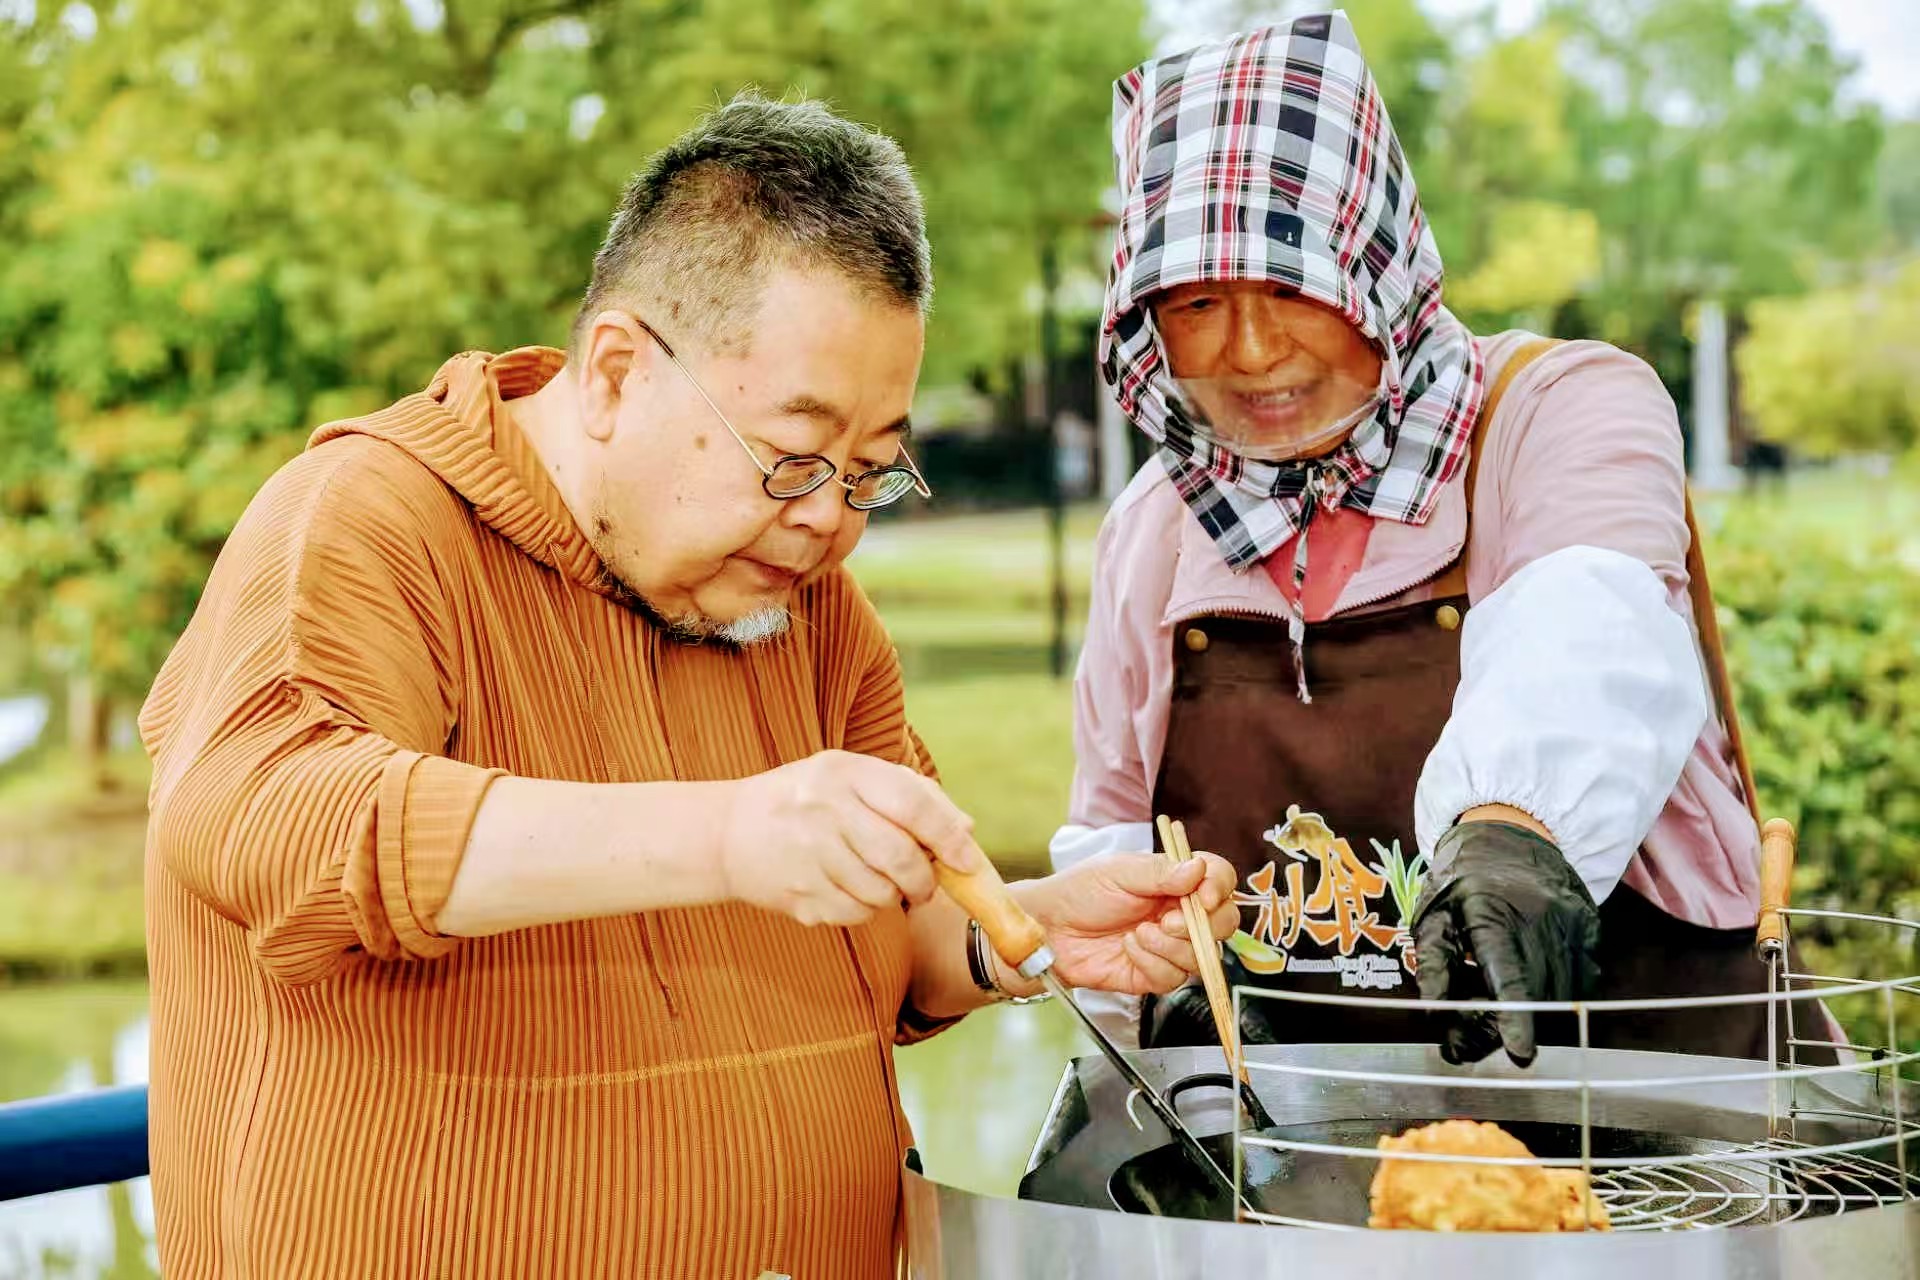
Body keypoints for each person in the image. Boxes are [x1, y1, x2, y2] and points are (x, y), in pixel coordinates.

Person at [139, 94, 1237, 1279]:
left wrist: (1022, 939)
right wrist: (726, 830)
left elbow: (896, 929)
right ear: (614, 370)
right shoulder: (366, 523)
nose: (826, 517)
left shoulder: (806, 607)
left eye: (868, 470)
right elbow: (269, 819)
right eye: (793, 453)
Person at [1053, 13, 1805, 1067]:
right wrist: (1159, 1018)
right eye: (1197, 301)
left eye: (1290, 285)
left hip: (1661, 1129)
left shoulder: (1558, 411)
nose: (1252, 350)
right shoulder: (1155, 529)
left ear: (1377, 262)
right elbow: (1116, 843)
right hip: (1321, 1174)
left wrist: (1513, 830)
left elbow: (1589, 627)